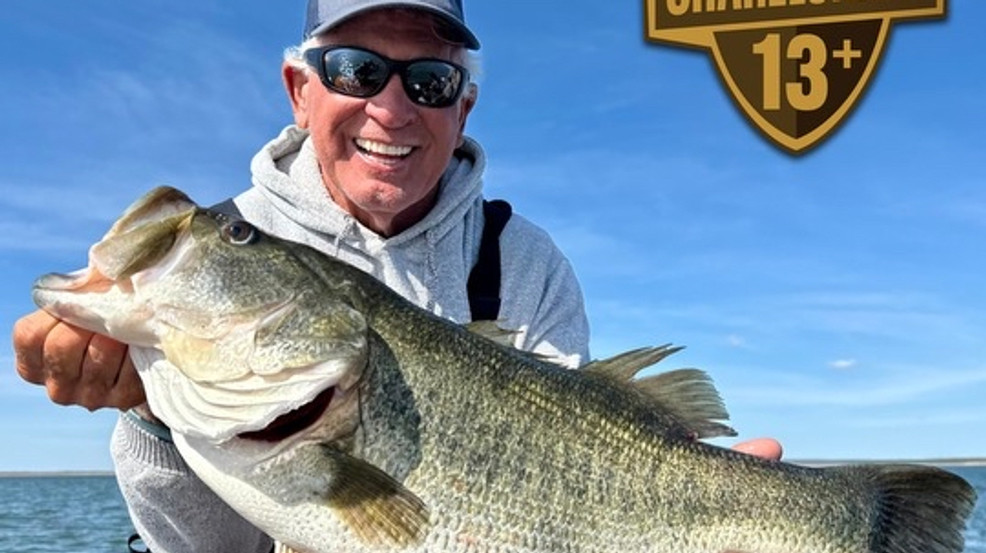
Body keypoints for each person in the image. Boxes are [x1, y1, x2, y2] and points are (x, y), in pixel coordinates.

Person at [12, 1, 782, 551]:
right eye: (356, 69)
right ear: (299, 90)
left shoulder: (526, 261)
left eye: (430, 82)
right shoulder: (230, 245)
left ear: (464, 107)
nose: (390, 107)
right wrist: (150, 419)